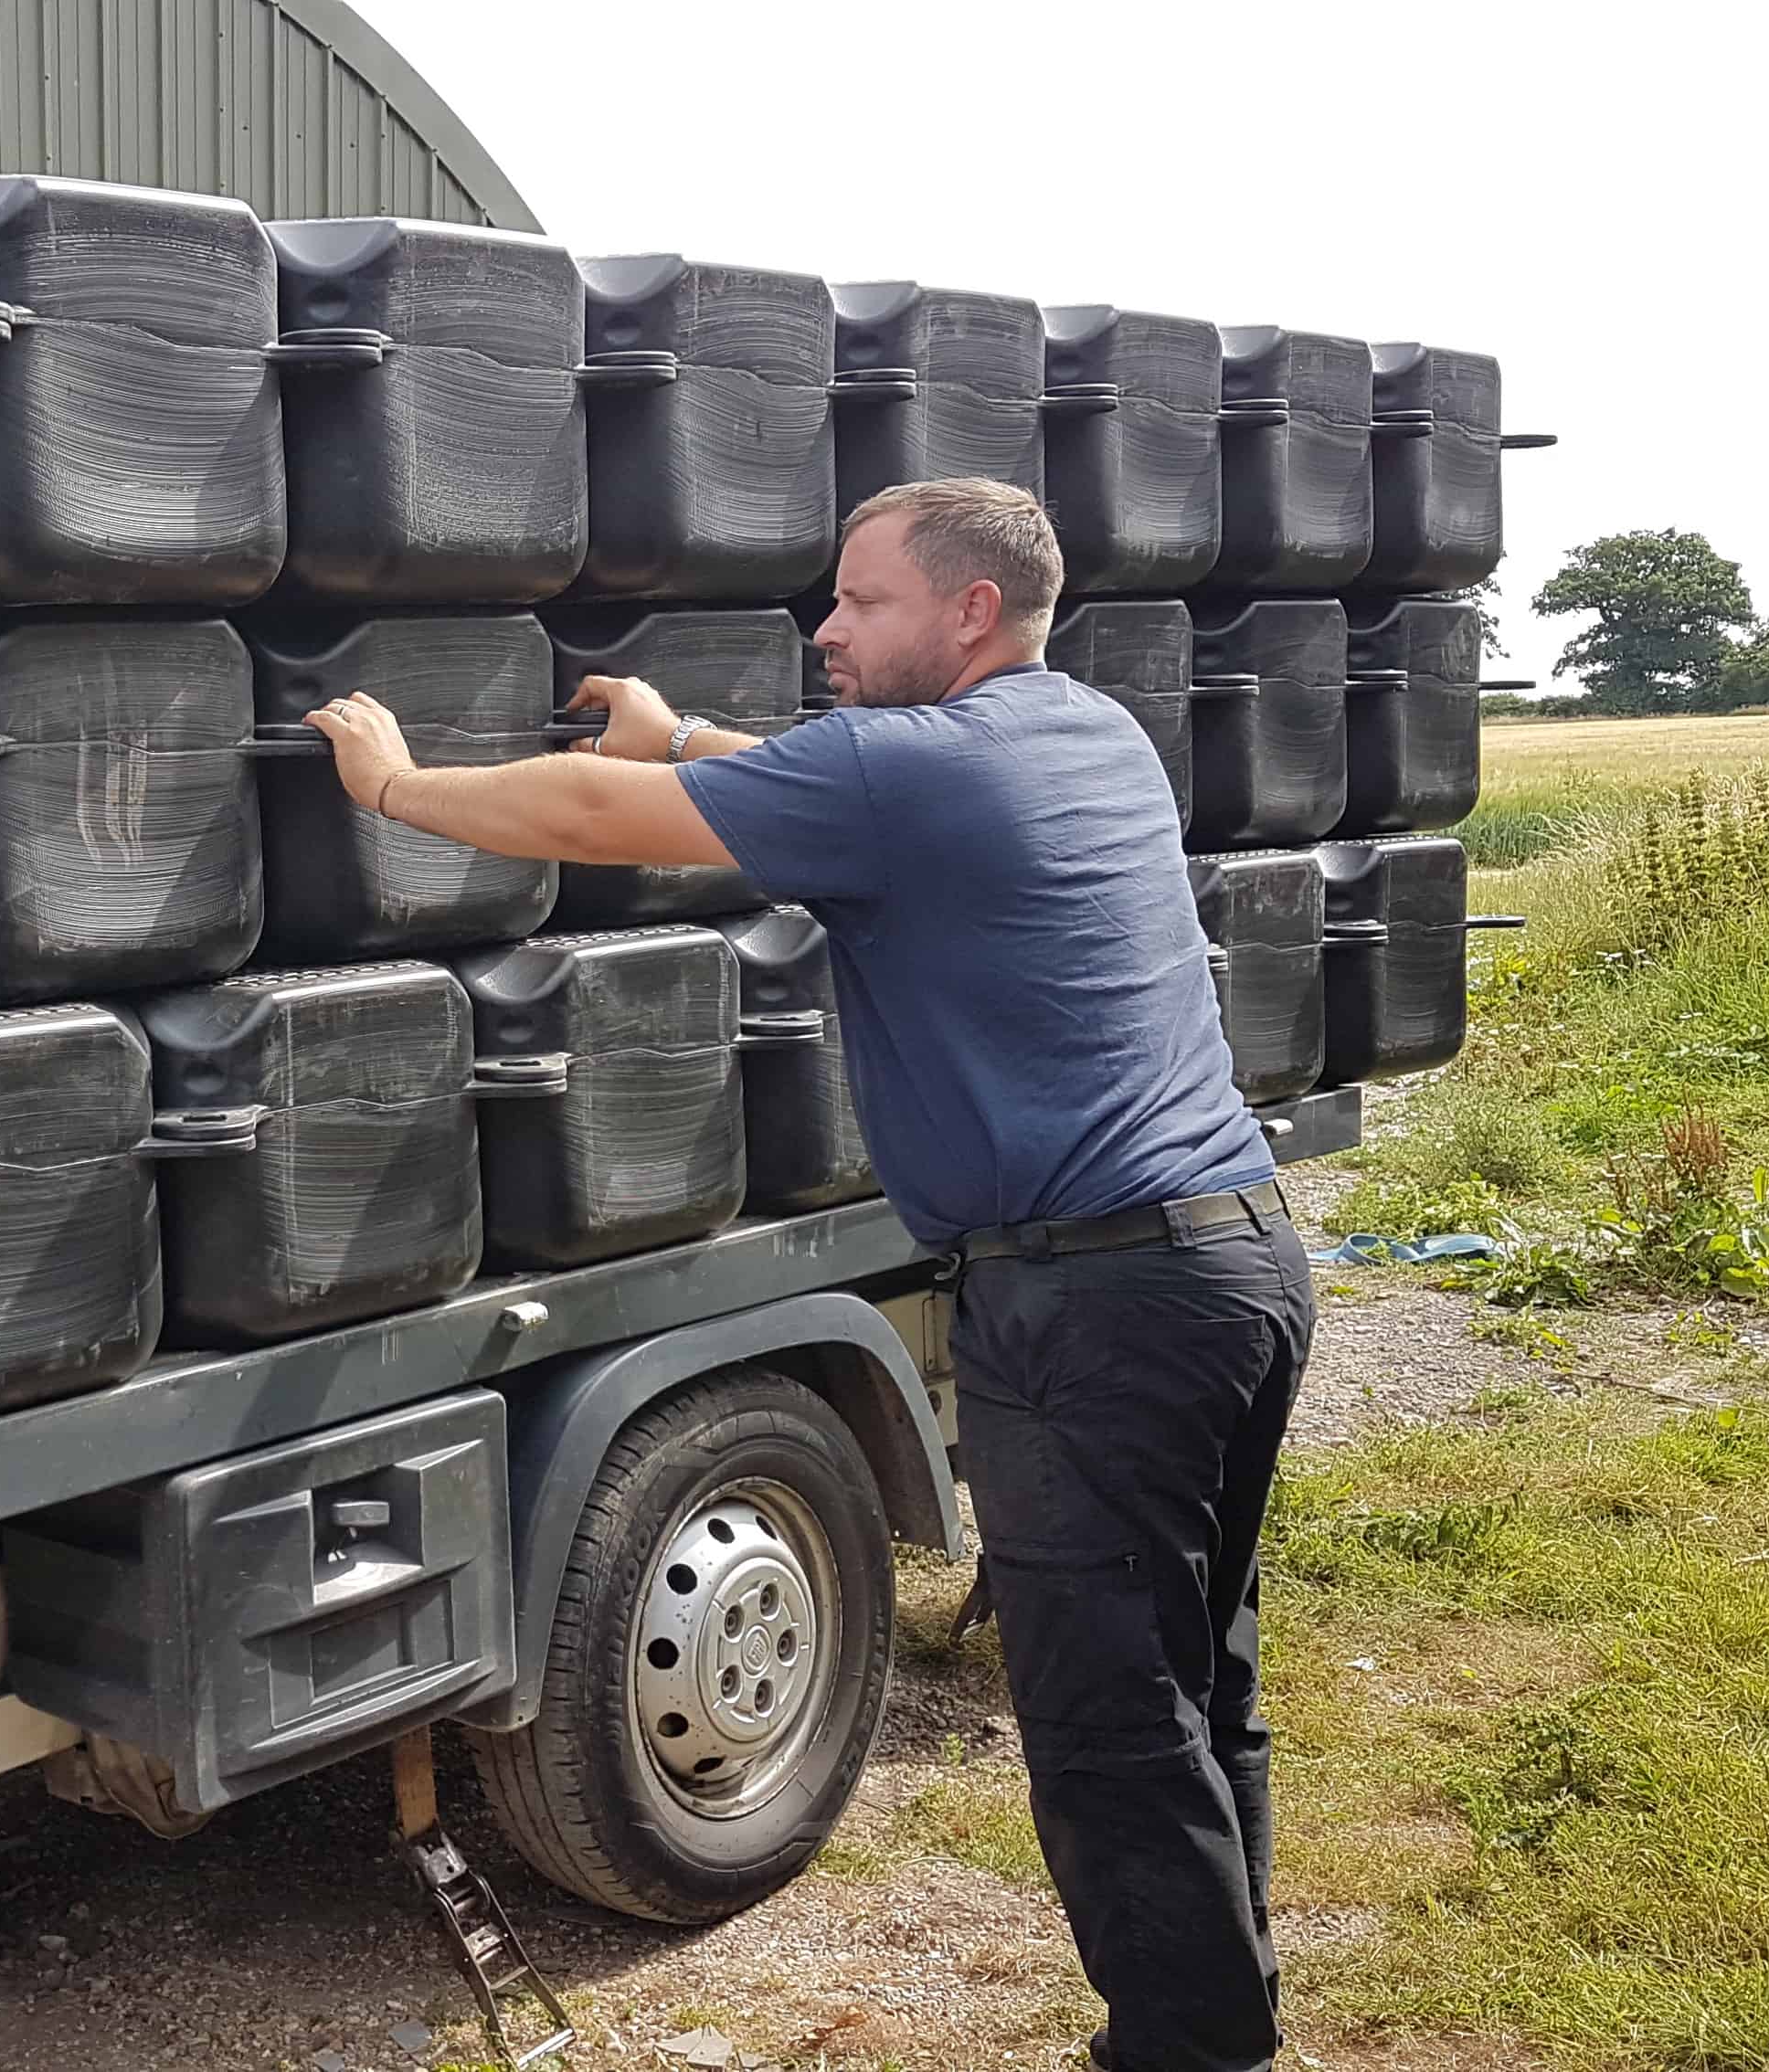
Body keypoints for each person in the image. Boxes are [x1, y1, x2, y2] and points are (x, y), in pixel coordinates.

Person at [302, 478, 1316, 2072]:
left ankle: (1194, 2052)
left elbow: (585, 820)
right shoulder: (1088, 733)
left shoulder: (904, 772)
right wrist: (682, 731)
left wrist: (396, 784)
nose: (826, 630)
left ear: (968, 611)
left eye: (860, 601)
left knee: (1110, 1723)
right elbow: (816, 784)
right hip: (1235, 1263)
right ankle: (1230, 2014)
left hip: (1094, 1309)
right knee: (1198, 1679)